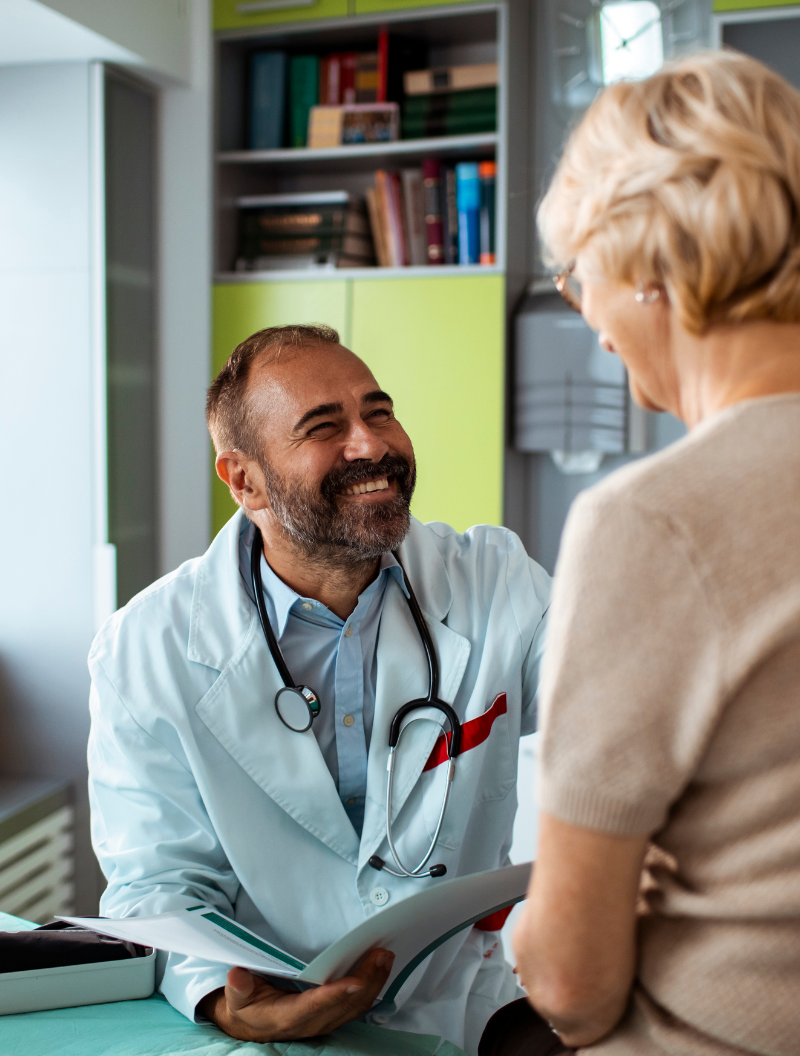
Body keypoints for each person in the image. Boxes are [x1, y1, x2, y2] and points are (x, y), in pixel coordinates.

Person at [87, 324, 550, 1053]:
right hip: (270, 1022)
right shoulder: (147, 647)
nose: (371, 445)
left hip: (465, 1007)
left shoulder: (494, 581)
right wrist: (228, 1004)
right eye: (324, 428)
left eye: (379, 412)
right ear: (244, 480)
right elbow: (158, 880)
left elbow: (630, 712)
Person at [481, 50, 800, 1056]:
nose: (589, 321)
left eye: (582, 274)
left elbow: (572, 982)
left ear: (653, 265)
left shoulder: (648, 521)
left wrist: (530, 934)